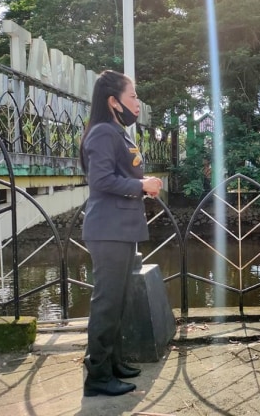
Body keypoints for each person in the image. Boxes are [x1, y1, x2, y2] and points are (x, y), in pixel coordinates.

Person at [80, 70, 163, 397]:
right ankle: (97, 375)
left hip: (120, 228)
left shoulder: (116, 131)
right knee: (107, 303)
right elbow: (100, 181)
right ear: (113, 102)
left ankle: (113, 362)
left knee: (117, 302)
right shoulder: (103, 132)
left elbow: (117, 175)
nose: (137, 103)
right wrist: (141, 184)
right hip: (108, 230)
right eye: (132, 96)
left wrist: (141, 185)